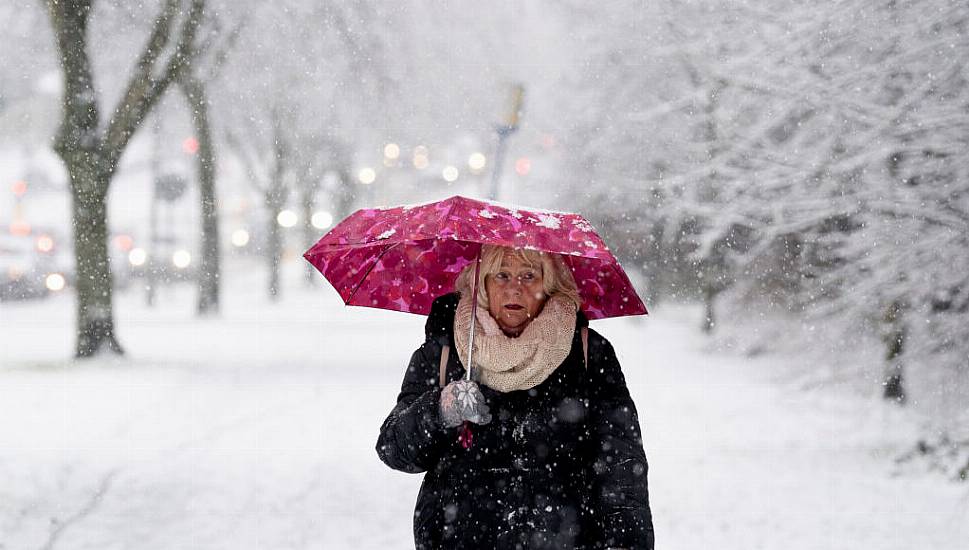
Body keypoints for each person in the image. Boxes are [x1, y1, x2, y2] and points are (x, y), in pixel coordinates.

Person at [376, 244, 654, 549]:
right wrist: (440, 409)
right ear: (482, 285)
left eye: (529, 276)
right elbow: (395, 449)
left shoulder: (588, 352)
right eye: (501, 275)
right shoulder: (444, 351)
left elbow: (621, 466)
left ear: (549, 285)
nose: (514, 289)